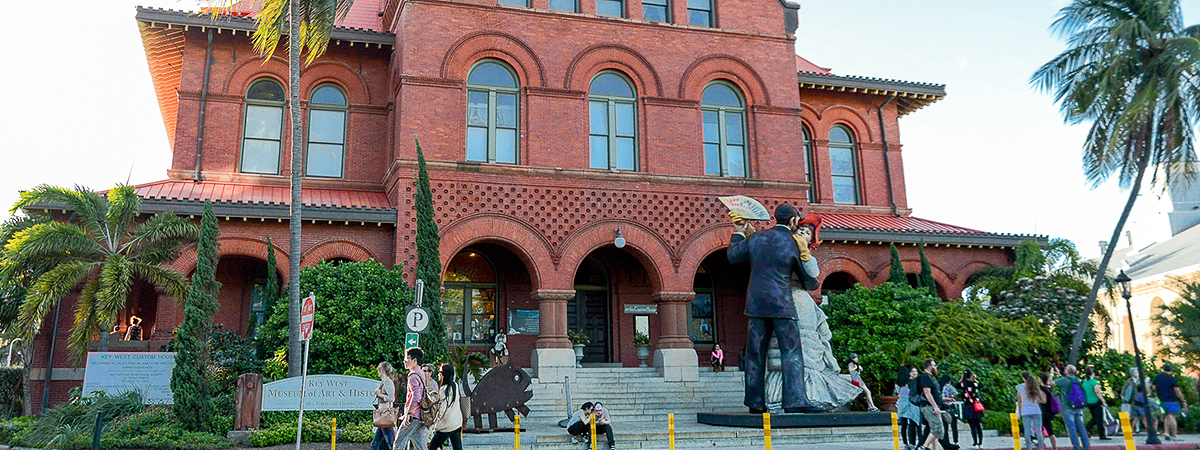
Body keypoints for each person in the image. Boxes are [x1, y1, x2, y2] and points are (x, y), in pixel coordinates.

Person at [727, 203, 820, 413]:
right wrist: (810, 275)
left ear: (776, 218)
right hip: (781, 306)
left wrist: (739, 231)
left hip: (756, 304)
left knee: (755, 354)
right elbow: (809, 281)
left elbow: (733, 256)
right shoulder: (794, 243)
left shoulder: (757, 238)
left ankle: (755, 402)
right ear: (794, 221)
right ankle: (794, 401)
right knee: (791, 352)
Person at [917, 359, 958, 450]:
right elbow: (927, 393)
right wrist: (935, 406)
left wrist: (946, 399)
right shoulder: (925, 377)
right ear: (929, 367)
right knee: (938, 429)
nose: (936, 367)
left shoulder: (931, 377)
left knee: (934, 430)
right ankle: (924, 447)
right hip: (929, 406)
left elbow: (936, 395)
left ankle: (933, 448)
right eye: (934, 365)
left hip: (931, 405)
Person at [396, 347, 430, 450]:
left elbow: (416, 396)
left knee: (398, 443)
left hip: (413, 415)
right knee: (420, 445)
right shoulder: (422, 373)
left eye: (407, 359)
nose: (404, 361)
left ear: (414, 360)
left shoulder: (413, 376)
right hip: (423, 415)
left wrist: (408, 413)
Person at [427, 364, 464, 450]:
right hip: (456, 422)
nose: (438, 374)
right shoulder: (455, 385)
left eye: (439, 372)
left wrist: (434, 423)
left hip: (446, 425)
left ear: (444, 375)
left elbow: (441, 409)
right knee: (457, 447)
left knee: (432, 446)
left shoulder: (444, 389)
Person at [1053, 365, 1089, 450]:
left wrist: (1051, 374)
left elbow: (1051, 383)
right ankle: (1086, 446)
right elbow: (1068, 381)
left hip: (1067, 408)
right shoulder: (1077, 379)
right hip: (1078, 407)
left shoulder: (1064, 380)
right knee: (1081, 428)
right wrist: (1059, 375)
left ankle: (1076, 447)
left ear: (1067, 371)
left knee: (1072, 429)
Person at [1154, 364, 1187, 441]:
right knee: (1172, 416)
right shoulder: (1172, 378)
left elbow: (1153, 388)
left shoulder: (1158, 377)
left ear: (1163, 369)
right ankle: (1175, 435)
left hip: (1162, 399)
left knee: (1167, 415)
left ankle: (1166, 432)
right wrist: (1183, 400)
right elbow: (1177, 390)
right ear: (1171, 370)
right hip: (1171, 399)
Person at [1017, 371, 1046, 450]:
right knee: (1038, 430)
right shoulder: (1035, 388)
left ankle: (1029, 447)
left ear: (1023, 378)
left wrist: (1020, 412)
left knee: (1027, 431)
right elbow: (1043, 400)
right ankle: (1041, 447)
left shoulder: (1021, 389)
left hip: (1026, 412)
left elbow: (1020, 402)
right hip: (1036, 411)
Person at [372, 362, 397, 450]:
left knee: (388, 443)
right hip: (383, 415)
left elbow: (391, 398)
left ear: (382, 370)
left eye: (379, 370)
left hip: (384, 414)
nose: (378, 372)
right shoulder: (386, 381)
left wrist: (379, 394)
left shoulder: (386, 381)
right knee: (376, 443)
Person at [1123, 367, 1154, 434]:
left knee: (1138, 417)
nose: (1136, 373)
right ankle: (1136, 430)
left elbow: (1147, 388)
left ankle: (1137, 429)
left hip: (1137, 401)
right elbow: (1125, 390)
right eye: (1134, 372)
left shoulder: (1142, 380)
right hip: (1133, 401)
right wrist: (1124, 397)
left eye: (1137, 372)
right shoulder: (1129, 381)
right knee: (1139, 417)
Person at [896, 366, 921, 450]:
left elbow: (897, 393)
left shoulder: (898, 382)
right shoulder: (910, 383)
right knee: (914, 423)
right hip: (911, 403)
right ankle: (917, 443)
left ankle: (906, 443)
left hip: (901, 404)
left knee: (904, 425)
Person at [1082, 367, 1110, 440]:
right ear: (1092, 373)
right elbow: (1097, 392)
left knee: (1095, 418)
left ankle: (1086, 429)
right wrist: (1103, 401)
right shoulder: (1094, 382)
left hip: (1088, 402)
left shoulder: (1084, 382)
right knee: (1099, 418)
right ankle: (1102, 435)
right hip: (1096, 401)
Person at [958, 371, 984, 449]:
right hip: (976, 406)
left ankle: (975, 443)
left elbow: (957, 385)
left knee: (972, 426)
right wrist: (975, 379)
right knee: (978, 425)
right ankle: (980, 443)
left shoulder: (963, 385)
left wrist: (961, 378)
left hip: (968, 406)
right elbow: (980, 385)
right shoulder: (974, 384)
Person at [1037, 372, 1060, 450]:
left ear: (1041, 379)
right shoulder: (1049, 388)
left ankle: (1053, 447)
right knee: (1045, 429)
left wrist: (1037, 399)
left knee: (1048, 431)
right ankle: (1042, 445)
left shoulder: (1041, 389)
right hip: (1049, 411)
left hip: (1044, 411)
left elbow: (1043, 401)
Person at [940, 374, 960, 445]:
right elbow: (955, 394)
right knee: (954, 426)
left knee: (945, 426)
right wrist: (951, 397)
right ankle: (955, 441)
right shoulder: (950, 387)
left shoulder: (940, 387)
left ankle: (946, 441)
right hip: (951, 406)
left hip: (943, 407)